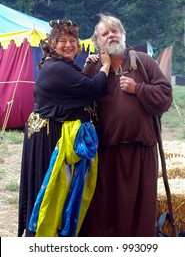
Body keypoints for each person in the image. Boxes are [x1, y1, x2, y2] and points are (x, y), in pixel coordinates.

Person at [79, 13, 173, 237]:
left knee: (139, 213)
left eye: (115, 31)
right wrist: (85, 68)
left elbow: (165, 97)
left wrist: (138, 89)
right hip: (106, 155)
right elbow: (79, 98)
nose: (111, 35)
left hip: (141, 153)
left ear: (123, 35)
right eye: (105, 33)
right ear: (97, 41)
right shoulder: (94, 68)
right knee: (104, 211)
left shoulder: (144, 62)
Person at [18, 19, 111, 237]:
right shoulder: (56, 67)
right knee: (50, 190)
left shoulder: (61, 65)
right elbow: (91, 89)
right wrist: (105, 65)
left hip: (45, 132)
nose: (68, 45)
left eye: (72, 40)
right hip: (47, 138)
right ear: (52, 44)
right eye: (62, 41)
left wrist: (89, 65)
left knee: (51, 190)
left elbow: (77, 86)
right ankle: (43, 237)